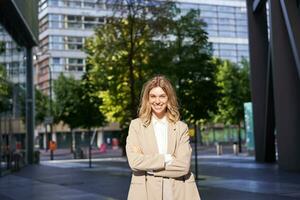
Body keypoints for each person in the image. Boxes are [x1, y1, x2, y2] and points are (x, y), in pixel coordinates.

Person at [126, 75, 201, 200]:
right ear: (147, 99)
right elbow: (134, 162)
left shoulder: (181, 127)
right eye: (153, 96)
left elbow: (183, 166)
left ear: (168, 98)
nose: (157, 101)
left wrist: (149, 169)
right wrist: (165, 159)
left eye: (162, 96)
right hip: (145, 191)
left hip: (176, 189)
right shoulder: (136, 126)